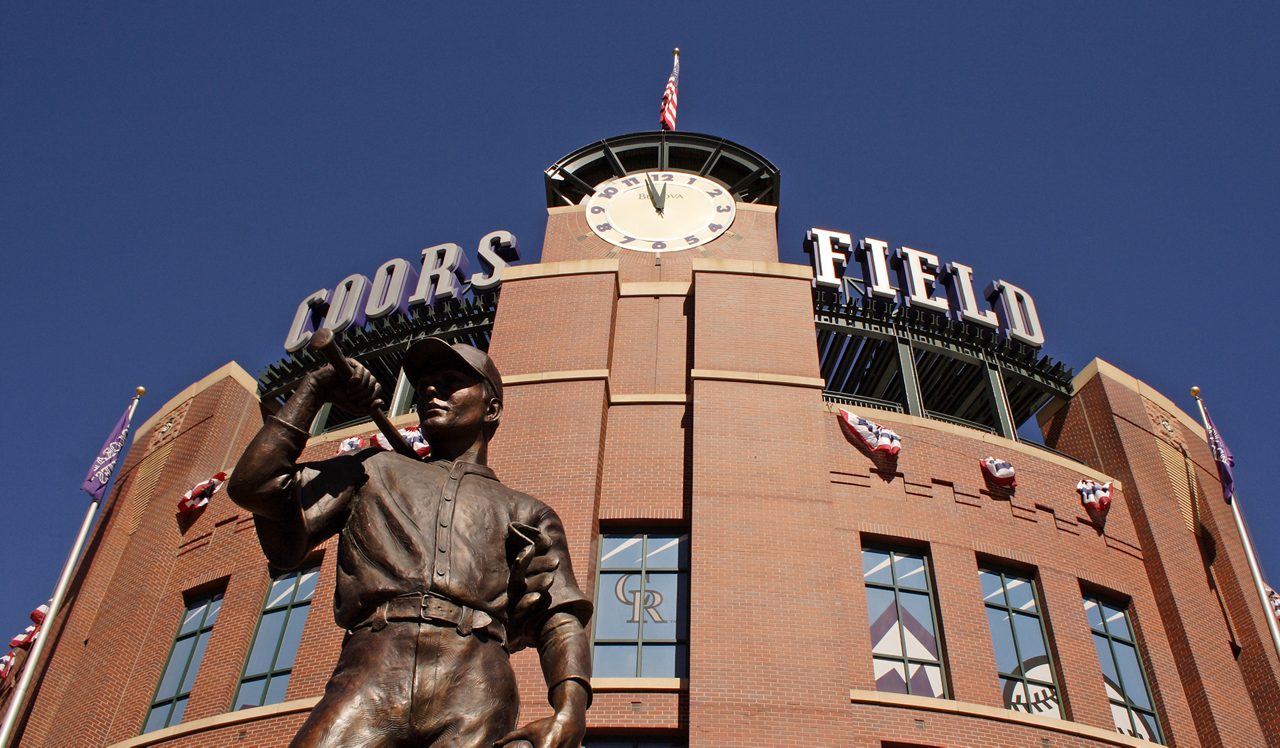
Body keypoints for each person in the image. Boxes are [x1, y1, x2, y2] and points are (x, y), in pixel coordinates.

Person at [228, 338, 592, 748]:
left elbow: (559, 614)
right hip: (374, 668)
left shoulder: (526, 511)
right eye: (423, 388)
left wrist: (571, 708)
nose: (432, 392)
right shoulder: (371, 469)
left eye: (450, 382)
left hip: (476, 682)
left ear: (491, 408)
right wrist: (315, 389)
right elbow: (255, 486)